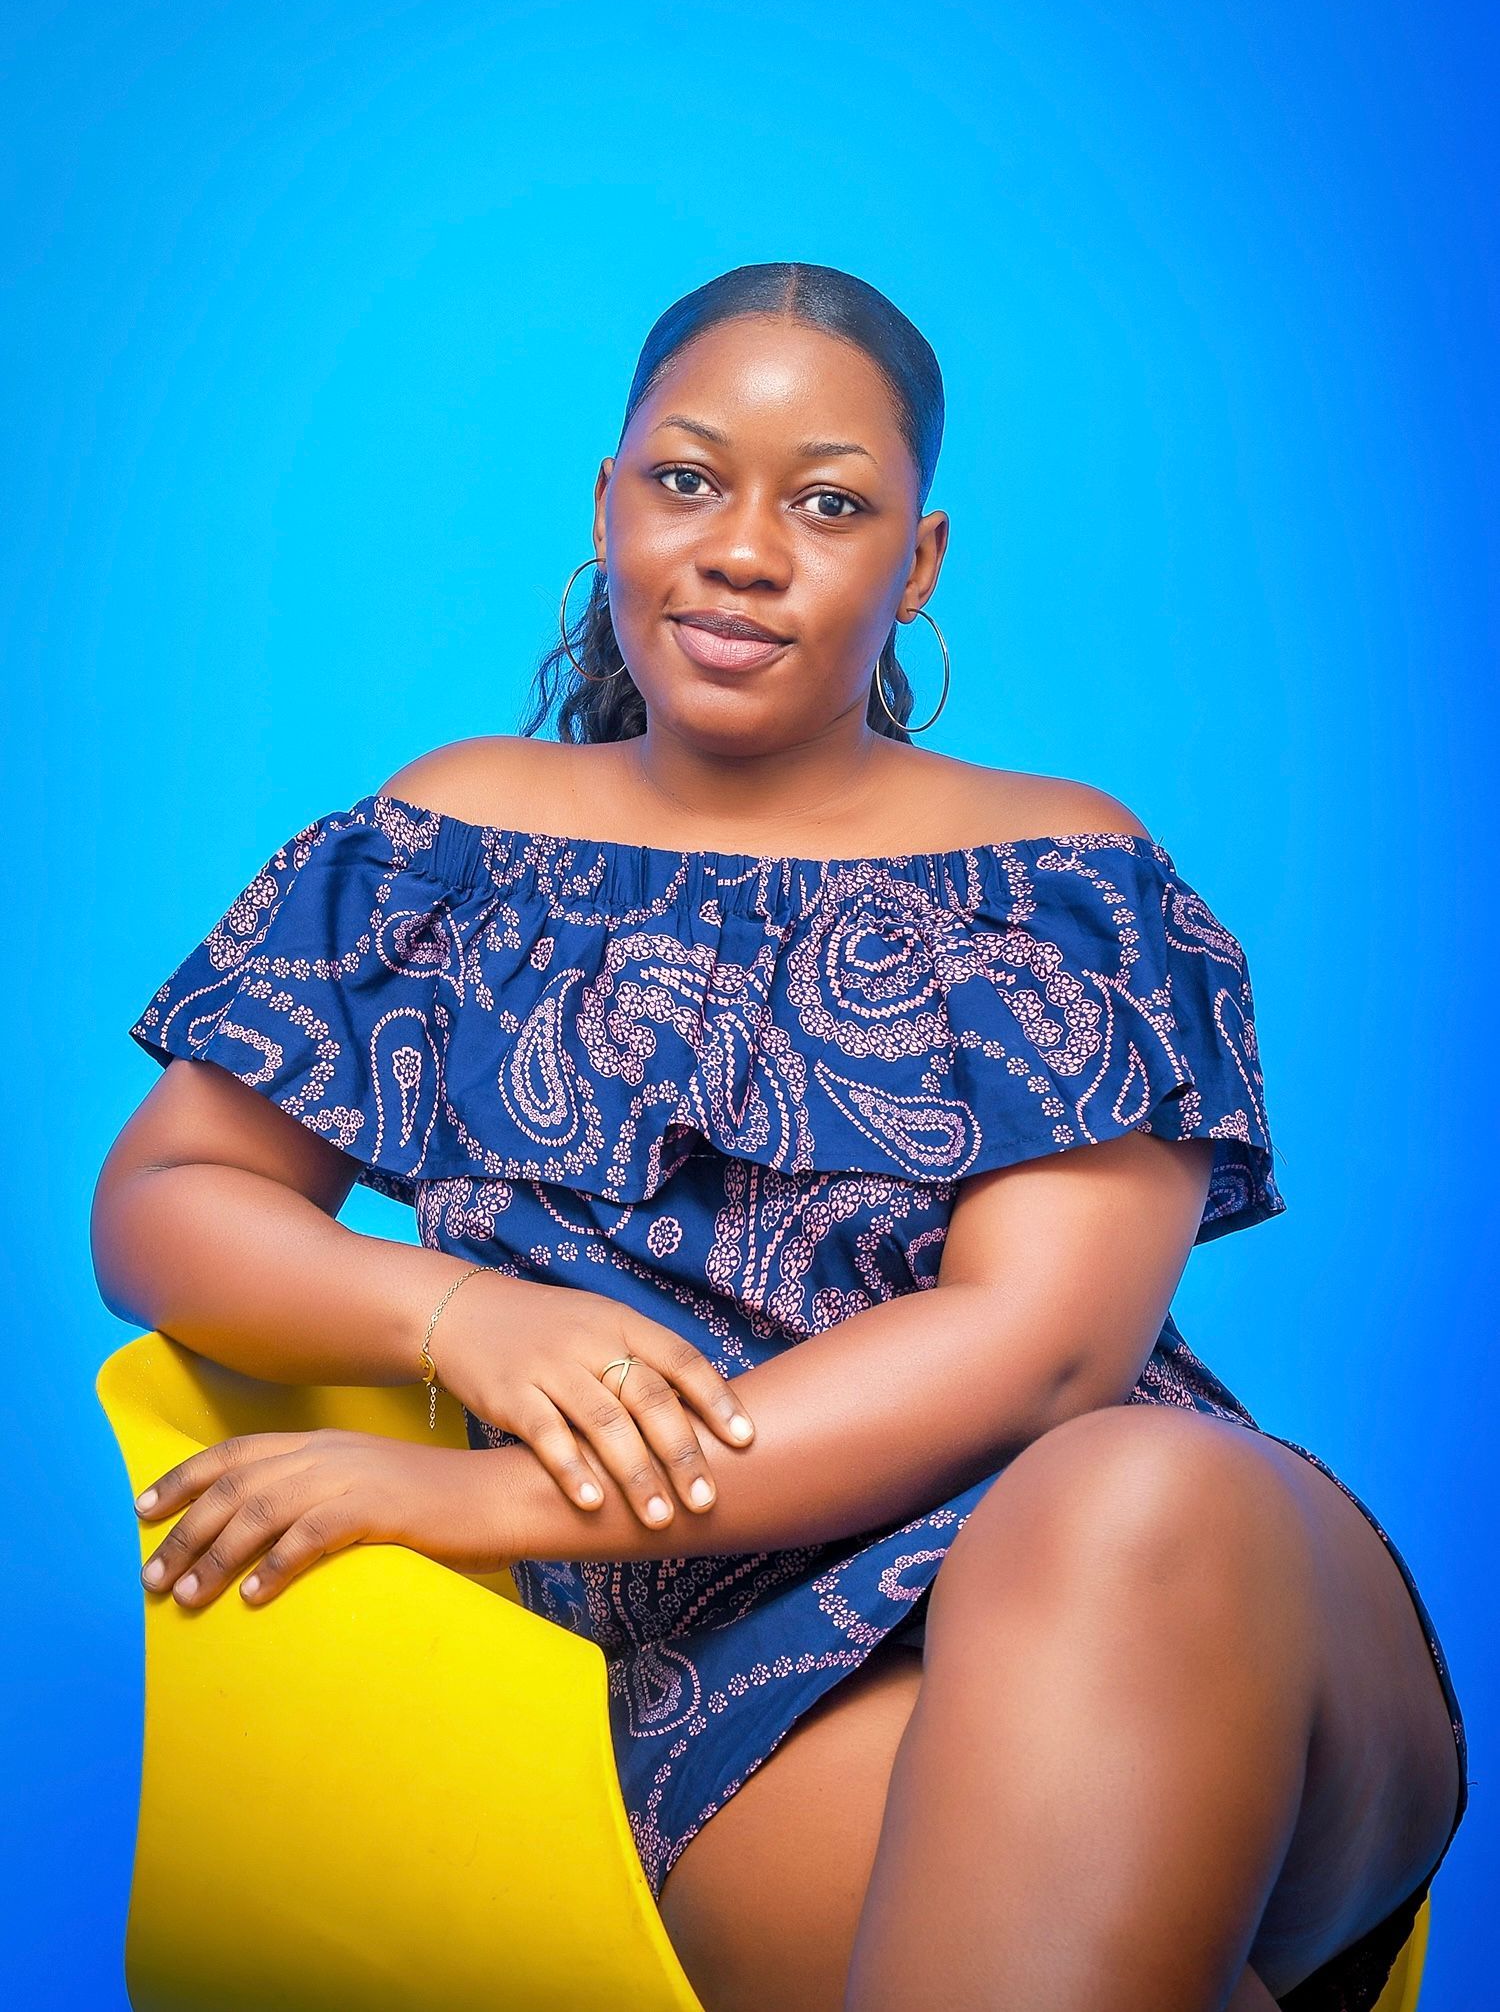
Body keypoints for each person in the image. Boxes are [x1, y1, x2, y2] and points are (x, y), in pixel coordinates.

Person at [93, 261, 1468, 2012]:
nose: (745, 549)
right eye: (687, 480)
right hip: (722, 1671)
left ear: (920, 562)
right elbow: (167, 1200)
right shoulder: (446, 840)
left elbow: (1042, 1357)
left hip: (1146, 1589)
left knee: (1121, 1489)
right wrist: (458, 1317)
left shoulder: (1059, 878)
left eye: (829, 503)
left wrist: (471, 1498)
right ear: (607, 507)